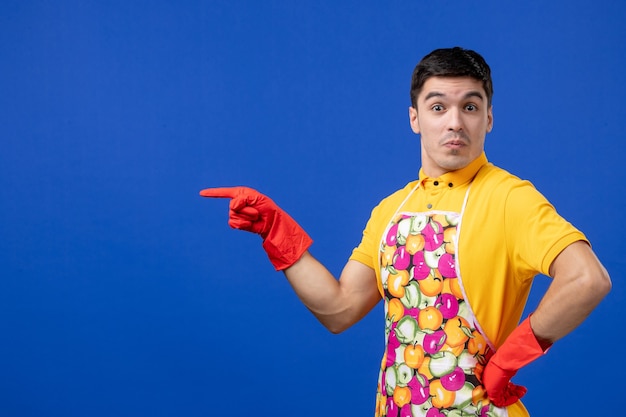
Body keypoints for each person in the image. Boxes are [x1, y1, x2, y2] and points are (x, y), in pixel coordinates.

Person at [200, 47, 611, 417]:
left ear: (488, 118)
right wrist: (277, 232)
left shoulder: (510, 198)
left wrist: (508, 359)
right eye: (438, 107)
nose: (455, 122)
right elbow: (340, 309)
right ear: (414, 117)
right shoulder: (391, 210)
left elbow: (586, 278)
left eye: (470, 107)